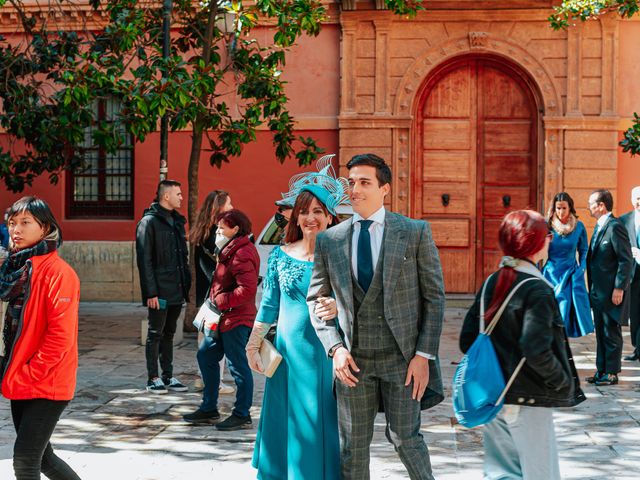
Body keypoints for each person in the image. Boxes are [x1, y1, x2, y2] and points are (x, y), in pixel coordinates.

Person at [308, 153, 445, 480]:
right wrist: (335, 349)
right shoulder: (330, 240)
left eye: (364, 182)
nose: (355, 189)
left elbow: (434, 297)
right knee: (352, 446)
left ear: (384, 189)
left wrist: (423, 355)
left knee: (405, 438)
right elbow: (316, 298)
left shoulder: (414, 232)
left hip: (404, 360)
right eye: (351, 182)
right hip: (352, 363)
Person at [460, 209, 585, 480]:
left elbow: (466, 340)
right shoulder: (537, 289)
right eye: (546, 234)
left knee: (503, 475)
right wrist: (563, 380)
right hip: (528, 402)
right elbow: (535, 348)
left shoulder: (492, 281)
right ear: (536, 242)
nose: (550, 239)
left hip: (495, 397)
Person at [246, 156, 346, 480]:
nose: (310, 217)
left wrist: (338, 307)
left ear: (330, 217)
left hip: (322, 356)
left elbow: (360, 303)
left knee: (317, 421)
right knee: (285, 420)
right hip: (286, 358)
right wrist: (252, 345)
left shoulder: (342, 255)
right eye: (304, 210)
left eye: (318, 211)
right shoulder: (280, 254)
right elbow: (269, 305)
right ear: (296, 215)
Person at [0, 196, 82, 480]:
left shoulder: (59, 273)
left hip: (46, 380)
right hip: (19, 376)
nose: (16, 230)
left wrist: (29, 372)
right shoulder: (13, 270)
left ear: (45, 227)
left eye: (25, 223)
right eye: (12, 223)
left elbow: (60, 336)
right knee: (43, 458)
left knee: (25, 462)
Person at [183, 209, 259, 430]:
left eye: (221, 228)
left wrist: (220, 300)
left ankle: (242, 414)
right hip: (222, 318)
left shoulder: (242, 252)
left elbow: (247, 290)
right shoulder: (229, 249)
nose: (217, 231)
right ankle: (209, 408)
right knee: (206, 355)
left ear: (235, 229)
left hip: (236, 319)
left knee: (238, 367)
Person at [136, 180, 191, 394]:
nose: (181, 197)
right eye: (178, 194)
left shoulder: (177, 221)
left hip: (176, 288)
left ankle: (168, 375)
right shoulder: (148, 222)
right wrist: (151, 292)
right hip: (159, 290)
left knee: (169, 332)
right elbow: (144, 260)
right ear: (166, 196)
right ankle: (153, 377)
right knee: (155, 333)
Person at [586, 189, 634, 386]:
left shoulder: (615, 227)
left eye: (591, 203)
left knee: (610, 332)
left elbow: (625, 259)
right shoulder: (599, 226)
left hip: (611, 292)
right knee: (600, 332)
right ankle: (602, 370)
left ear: (601, 206)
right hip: (598, 291)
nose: (588, 207)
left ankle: (612, 373)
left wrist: (619, 288)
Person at [190, 190, 235, 394]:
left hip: (204, 292)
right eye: (229, 204)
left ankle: (202, 377)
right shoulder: (218, 233)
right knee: (216, 340)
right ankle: (214, 381)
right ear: (219, 208)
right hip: (216, 293)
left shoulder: (202, 231)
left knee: (205, 337)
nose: (232, 207)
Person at [542, 192, 593, 337]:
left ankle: (561, 343)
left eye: (564, 208)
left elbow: (584, 250)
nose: (561, 212)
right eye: (558, 208)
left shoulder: (579, 226)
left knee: (564, 312)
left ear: (570, 207)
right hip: (550, 274)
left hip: (570, 274)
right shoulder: (548, 226)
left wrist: (581, 268)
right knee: (549, 313)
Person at [619, 185, 640, 361]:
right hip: (632, 274)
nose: (639, 202)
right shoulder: (624, 220)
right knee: (635, 313)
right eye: (637, 198)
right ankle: (637, 348)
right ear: (632, 200)